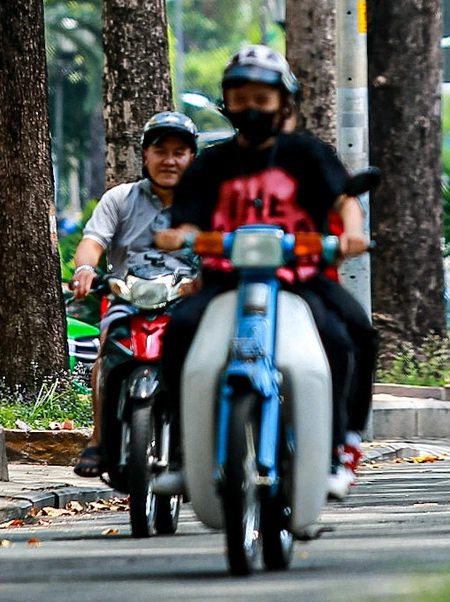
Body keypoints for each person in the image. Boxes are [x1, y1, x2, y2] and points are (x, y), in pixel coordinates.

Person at [149, 45, 375, 501]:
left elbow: (344, 200)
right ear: (227, 103)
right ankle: (179, 453)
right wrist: (181, 236)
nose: (250, 108)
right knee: (179, 332)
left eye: (262, 98)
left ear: (282, 103)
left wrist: (351, 235)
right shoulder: (210, 163)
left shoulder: (307, 154)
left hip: (300, 277)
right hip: (226, 280)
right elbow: (187, 219)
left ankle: (342, 445)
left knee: (350, 333)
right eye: (240, 98)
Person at [68, 111, 199, 478]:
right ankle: (97, 439)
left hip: (187, 302)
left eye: (179, 152)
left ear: (192, 158)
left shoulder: (205, 205)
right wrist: (85, 270)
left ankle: (200, 439)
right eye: (161, 151)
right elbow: (93, 242)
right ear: (145, 155)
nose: (169, 160)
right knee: (106, 349)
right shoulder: (120, 199)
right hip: (128, 297)